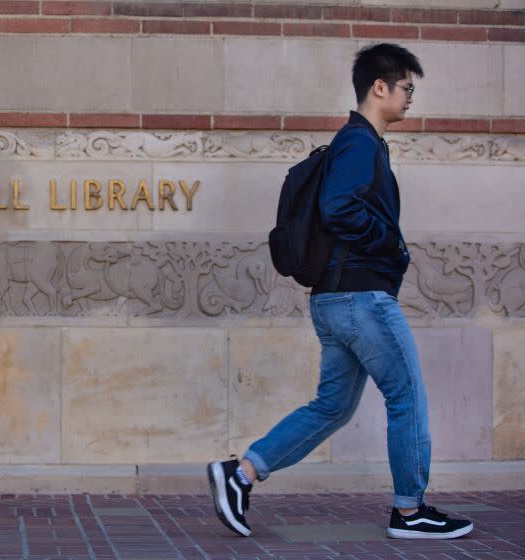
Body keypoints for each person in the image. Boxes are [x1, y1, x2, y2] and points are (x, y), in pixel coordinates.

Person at [207, 43, 474, 540]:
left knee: (331, 407)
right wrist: (389, 244)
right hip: (360, 299)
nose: (411, 98)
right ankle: (411, 512)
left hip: (334, 302)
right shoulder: (360, 143)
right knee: (408, 396)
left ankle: (239, 474)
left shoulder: (355, 143)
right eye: (407, 88)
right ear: (380, 88)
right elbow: (338, 209)